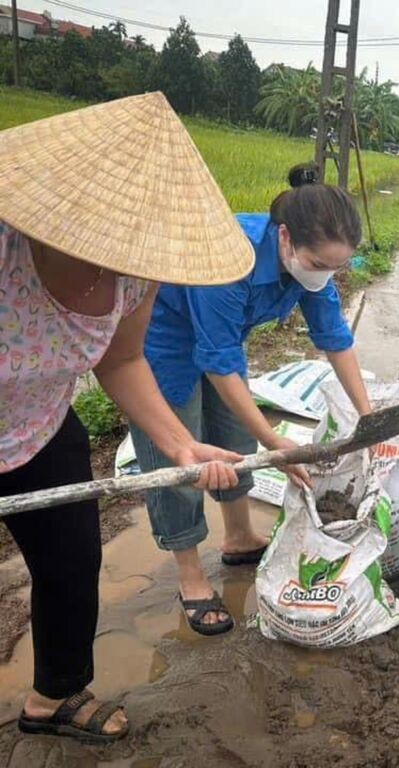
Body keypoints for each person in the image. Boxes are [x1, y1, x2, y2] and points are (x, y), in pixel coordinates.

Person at [0, 93, 251, 742]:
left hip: (44, 428)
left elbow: (121, 358)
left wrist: (179, 444)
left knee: (72, 565)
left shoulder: (136, 272)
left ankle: (54, 697)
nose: (124, 250)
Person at [132, 163, 374, 637]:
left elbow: (334, 337)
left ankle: (240, 536)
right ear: (285, 238)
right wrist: (275, 443)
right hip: (165, 341)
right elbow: (217, 360)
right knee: (182, 458)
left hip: (225, 341)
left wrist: (368, 416)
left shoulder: (309, 271)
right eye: (321, 264)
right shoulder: (230, 256)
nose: (327, 275)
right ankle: (191, 576)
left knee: (233, 436)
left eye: (337, 267)